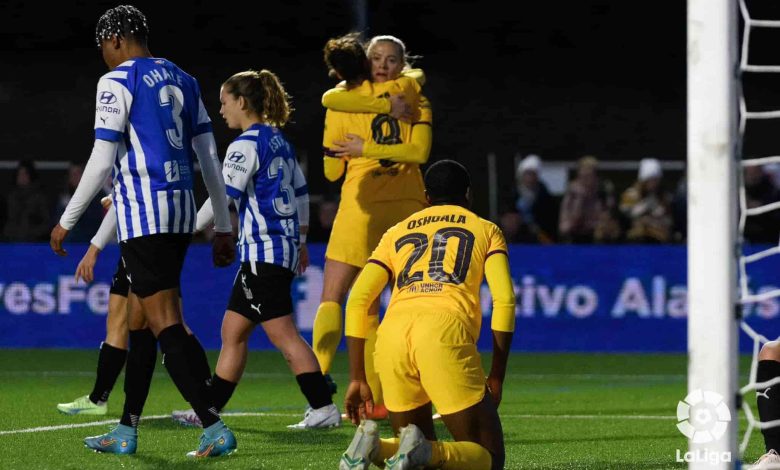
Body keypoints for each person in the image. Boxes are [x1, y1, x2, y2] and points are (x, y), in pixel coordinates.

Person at [49, 5, 236, 457]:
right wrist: (223, 226)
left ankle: (212, 425)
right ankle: (126, 430)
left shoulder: (117, 80)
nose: (104, 58)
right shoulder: (185, 79)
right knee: (139, 323)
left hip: (144, 217)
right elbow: (209, 157)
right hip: (179, 212)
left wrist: (67, 221)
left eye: (103, 49)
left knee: (164, 320)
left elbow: (101, 159)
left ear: (115, 41)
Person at [171, 69, 341, 429]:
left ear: (242, 102)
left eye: (224, 102)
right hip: (275, 250)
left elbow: (222, 197)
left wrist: (183, 230)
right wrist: (302, 239)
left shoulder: (245, 145)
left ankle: (323, 406)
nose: (221, 110)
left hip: (264, 253)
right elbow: (299, 194)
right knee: (233, 331)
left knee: (283, 335)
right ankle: (210, 410)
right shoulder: (279, 142)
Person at [338, 160, 515, 470]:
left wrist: (357, 377)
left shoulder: (396, 232)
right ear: (468, 195)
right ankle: (427, 453)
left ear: (426, 197)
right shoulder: (486, 230)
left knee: (413, 452)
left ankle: (375, 447)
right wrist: (497, 373)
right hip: (443, 331)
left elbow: (358, 300)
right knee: (489, 458)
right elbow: (504, 300)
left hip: (393, 336)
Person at [313, 33, 432, 417]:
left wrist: (360, 149)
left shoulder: (345, 100)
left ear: (400, 62)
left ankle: (318, 397)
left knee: (335, 298)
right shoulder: (413, 94)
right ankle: (388, 401)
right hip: (407, 212)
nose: (383, 64)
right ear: (368, 60)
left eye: (390, 59)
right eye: (377, 57)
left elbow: (332, 171)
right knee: (392, 308)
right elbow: (420, 153)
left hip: (361, 210)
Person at [558, 155, 616, 243]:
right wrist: (580, 199)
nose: (585, 179)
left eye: (589, 175)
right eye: (583, 175)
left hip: (597, 230)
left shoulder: (603, 189)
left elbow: (609, 212)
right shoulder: (572, 191)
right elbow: (564, 220)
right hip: (576, 228)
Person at [619, 157, 673, 243]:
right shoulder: (630, 196)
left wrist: (654, 220)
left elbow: (669, 220)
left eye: (656, 180)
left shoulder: (664, 197)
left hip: (658, 237)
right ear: (643, 180)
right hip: (636, 238)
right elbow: (625, 218)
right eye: (650, 180)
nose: (653, 183)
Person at [53, 162, 105, 242]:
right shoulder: (65, 196)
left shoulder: (96, 194)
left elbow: (96, 220)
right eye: (72, 174)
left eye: (78, 173)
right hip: (69, 242)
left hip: (91, 241)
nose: (75, 177)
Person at [512, 154, 557, 243]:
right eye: (527, 174)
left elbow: (549, 218)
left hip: (538, 234)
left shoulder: (544, 195)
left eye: (533, 174)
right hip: (517, 232)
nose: (530, 178)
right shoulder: (512, 193)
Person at [3, 160, 50, 242]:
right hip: (12, 242)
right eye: (19, 174)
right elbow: (7, 221)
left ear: (30, 176)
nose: (22, 177)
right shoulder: (11, 197)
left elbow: (46, 223)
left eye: (25, 174)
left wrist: (32, 233)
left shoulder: (39, 197)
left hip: (33, 243)